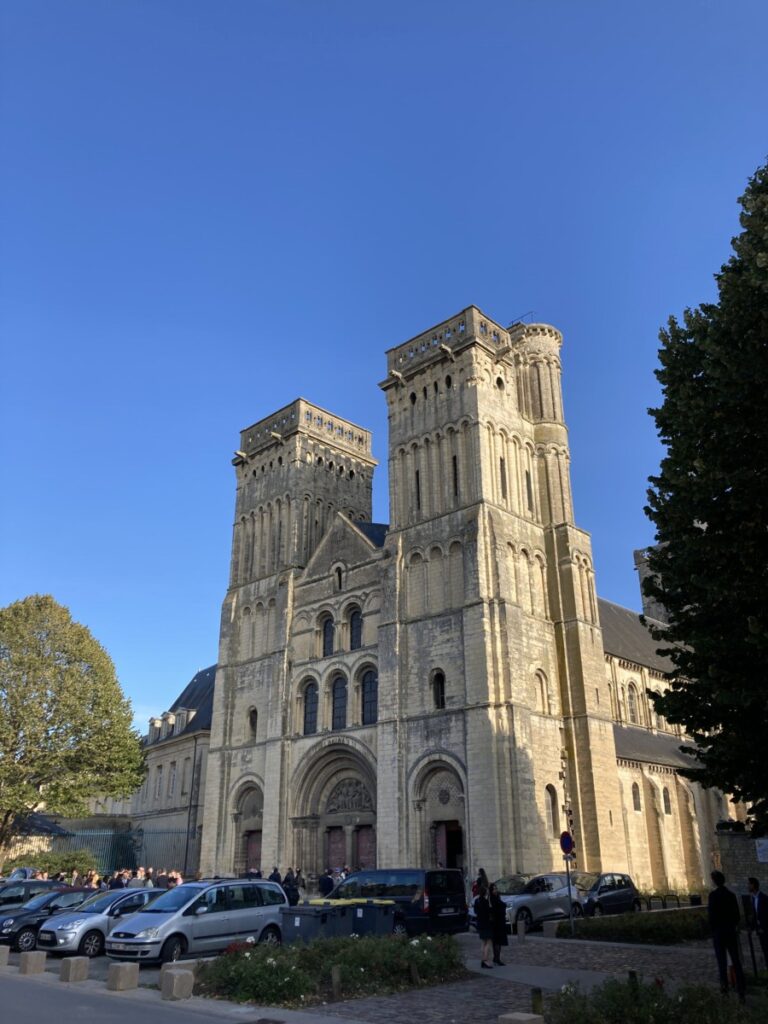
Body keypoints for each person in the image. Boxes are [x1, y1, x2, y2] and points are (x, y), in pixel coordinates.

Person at [708, 870, 745, 1002]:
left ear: (714, 881)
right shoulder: (731, 895)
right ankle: (741, 991)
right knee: (736, 962)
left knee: (722, 963)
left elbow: (711, 917)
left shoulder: (713, 896)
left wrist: (713, 929)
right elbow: (737, 916)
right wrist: (731, 925)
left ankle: (724, 990)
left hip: (719, 933)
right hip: (730, 931)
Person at [748, 876, 768, 969]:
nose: (748, 886)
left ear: (753, 885)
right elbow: (754, 915)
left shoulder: (764, 898)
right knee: (764, 949)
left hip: (765, 929)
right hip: (759, 930)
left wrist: (764, 927)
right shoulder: (753, 899)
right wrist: (752, 928)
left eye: (749, 884)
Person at [474, 883, 494, 968]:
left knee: (483, 942)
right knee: (488, 942)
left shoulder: (477, 901)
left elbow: (475, 911)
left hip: (480, 923)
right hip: (486, 924)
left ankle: (483, 959)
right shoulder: (485, 902)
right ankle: (485, 960)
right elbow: (489, 911)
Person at [489, 882, 508, 966]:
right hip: (496, 923)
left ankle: (496, 957)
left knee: (497, 941)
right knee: (497, 941)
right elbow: (495, 909)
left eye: (496, 888)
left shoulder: (496, 897)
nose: (496, 890)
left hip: (499, 922)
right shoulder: (492, 899)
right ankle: (496, 958)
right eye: (494, 889)